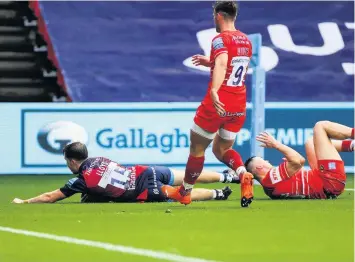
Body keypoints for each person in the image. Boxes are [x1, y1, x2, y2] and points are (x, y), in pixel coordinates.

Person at [170, 1, 253, 206]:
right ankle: (243, 174)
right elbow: (233, 64)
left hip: (217, 104)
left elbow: (224, 62)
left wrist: (215, 90)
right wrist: (211, 62)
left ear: (218, 16)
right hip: (238, 105)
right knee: (222, 150)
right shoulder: (246, 40)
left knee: (197, 149)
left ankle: (185, 192)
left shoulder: (219, 39)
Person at [12, 142, 238, 204]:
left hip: (144, 190)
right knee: (187, 175)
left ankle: (218, 193)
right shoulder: (99, 159)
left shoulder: (79, 181)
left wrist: (25, 201)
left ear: (72, 161)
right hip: (146, 171)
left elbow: (50, 197)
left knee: (181, 193)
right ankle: (229, 176)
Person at [244, 121, 354, 199]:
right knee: (320, 126)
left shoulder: (270, 185)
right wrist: (276, 144)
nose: (267, 161)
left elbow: (298, 165)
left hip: (324, 183)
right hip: (330, 182)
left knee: (310, 143)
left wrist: (292, 164)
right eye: (263, 160)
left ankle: (352, 145)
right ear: (259, 167)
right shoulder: (270, 179)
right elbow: (299, 160)